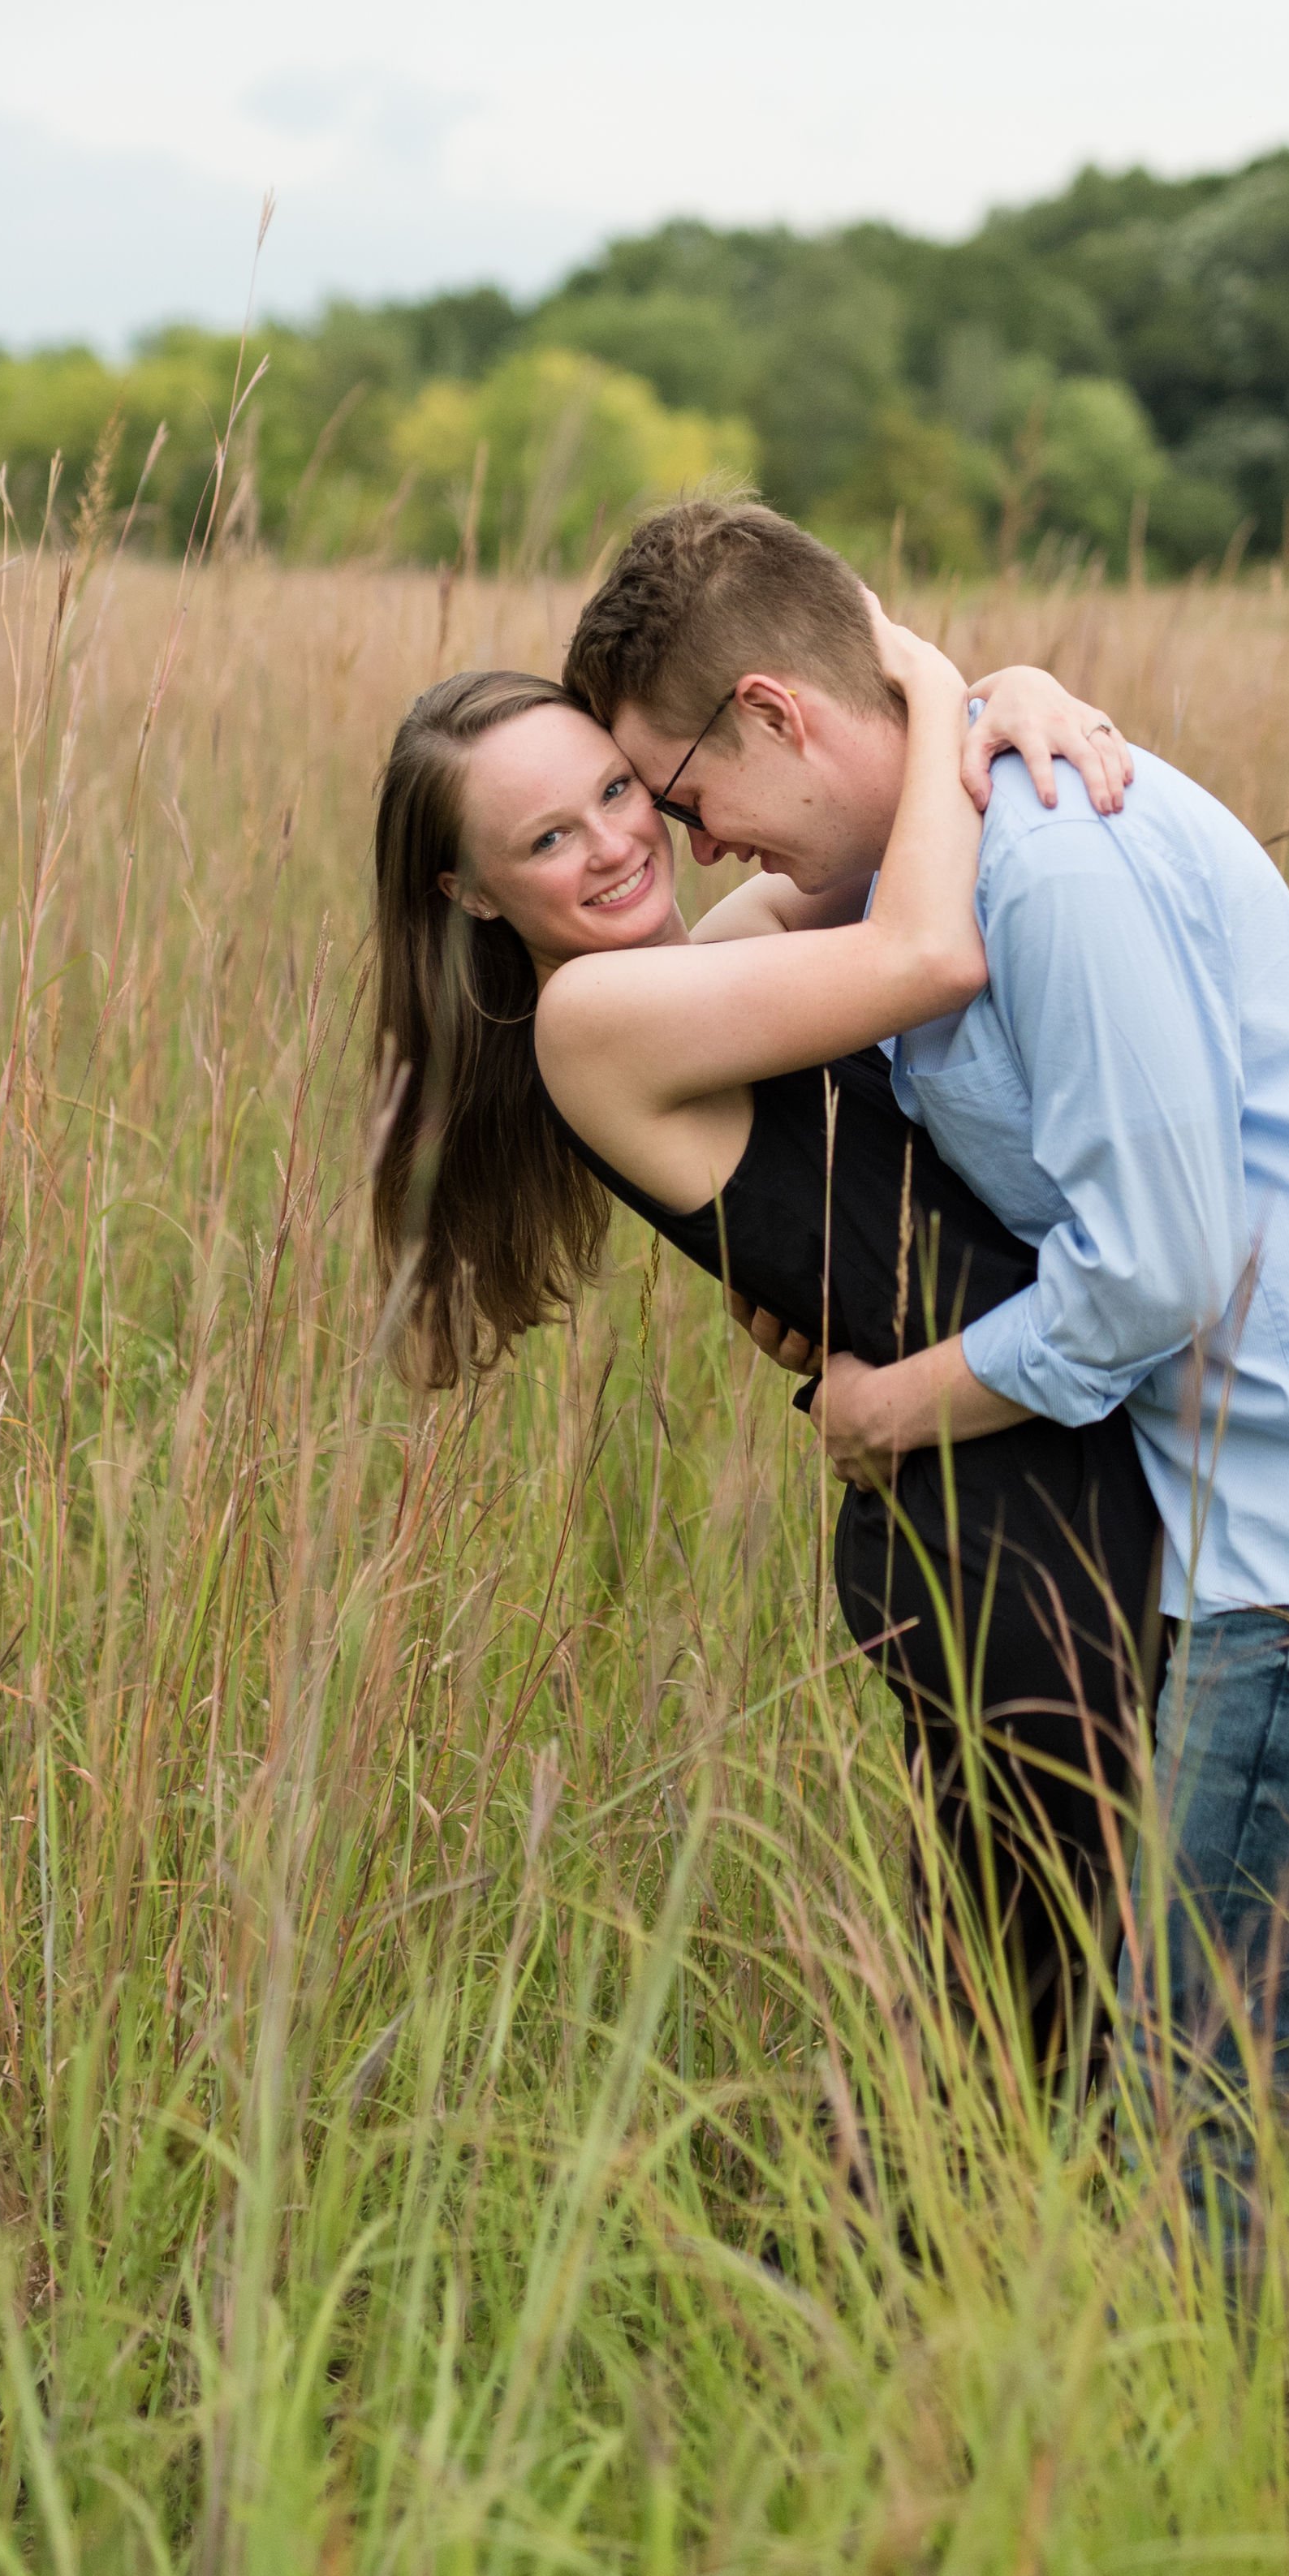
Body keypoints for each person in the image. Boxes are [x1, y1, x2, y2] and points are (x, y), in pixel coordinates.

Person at [564, 498, 1289, 2263]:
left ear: (775, 717)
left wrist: (906, 1397)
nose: (682, 834)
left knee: (1215, 2098)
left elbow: (1159, 1266)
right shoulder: (918, 867)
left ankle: (1263, 2482)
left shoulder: (1048, 861)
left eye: (674, 787)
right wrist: (959, 677)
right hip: (1276, 1521)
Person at [366, 617, 1162, 2093]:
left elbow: (873, 836)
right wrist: (939, 685)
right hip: (1002, 1537)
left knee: (1068, 1989)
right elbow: (929, 948)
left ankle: (994, 2281)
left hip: (1028, 1476)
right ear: (468, 893)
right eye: (547, 837)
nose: (615, 845)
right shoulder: (595, 1020)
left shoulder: (685, 971)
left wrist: (1016, 696)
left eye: (617, 790)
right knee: (1029, 2022)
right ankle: (936, 2293)